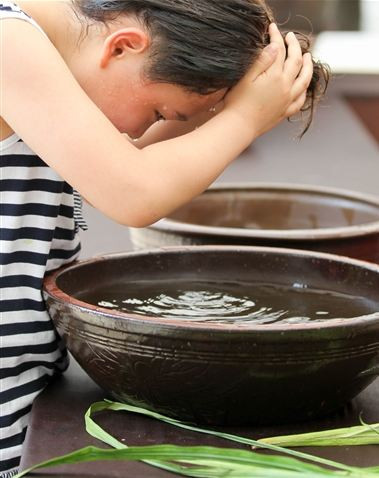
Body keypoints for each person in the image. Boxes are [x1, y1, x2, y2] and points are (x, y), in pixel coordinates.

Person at [0, 0, 328, 475]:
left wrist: (242, 92)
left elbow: (119, 167)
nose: (140, 130)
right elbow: (131, 191)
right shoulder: (8, 39)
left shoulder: (44, 49)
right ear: (124, 46)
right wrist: (244, 119)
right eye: (158, 111)